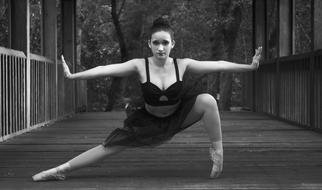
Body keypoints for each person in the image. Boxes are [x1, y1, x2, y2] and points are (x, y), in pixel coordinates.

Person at [32, 17, 262, 181]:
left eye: (165, 43)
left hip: (177, 116)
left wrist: (249, 66)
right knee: (109, 146)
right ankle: (60, 169)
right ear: (149, 45)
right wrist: (73, 76)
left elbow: (219, 65)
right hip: (149, 122)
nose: (160, 47)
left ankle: (218, 153)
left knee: (208, 101)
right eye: (156, 43)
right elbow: (105, 68)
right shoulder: (139, 66)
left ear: (173, 44)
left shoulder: (183, 64)